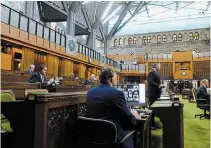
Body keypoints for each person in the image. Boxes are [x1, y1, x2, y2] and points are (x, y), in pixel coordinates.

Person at [86, 68, 140, 148]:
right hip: (113, 136)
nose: (116, 80)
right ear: (111, 79)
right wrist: (135, 116)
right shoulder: (117, 93)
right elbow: (129, 118)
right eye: (115, 78)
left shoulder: (89, 93)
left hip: (94, 136)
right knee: (137, 130)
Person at [147, 63, 165, 130]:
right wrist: (159, 85)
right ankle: (151, 124)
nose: (160, 68)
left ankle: (154, 123)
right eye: (159, 66)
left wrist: (160, 85)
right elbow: (151, 82)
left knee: (154, 110)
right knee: (152, 110)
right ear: (156, 66)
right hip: (152, 94)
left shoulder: (155, 72)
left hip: (155, 94)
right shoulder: (151, 72)